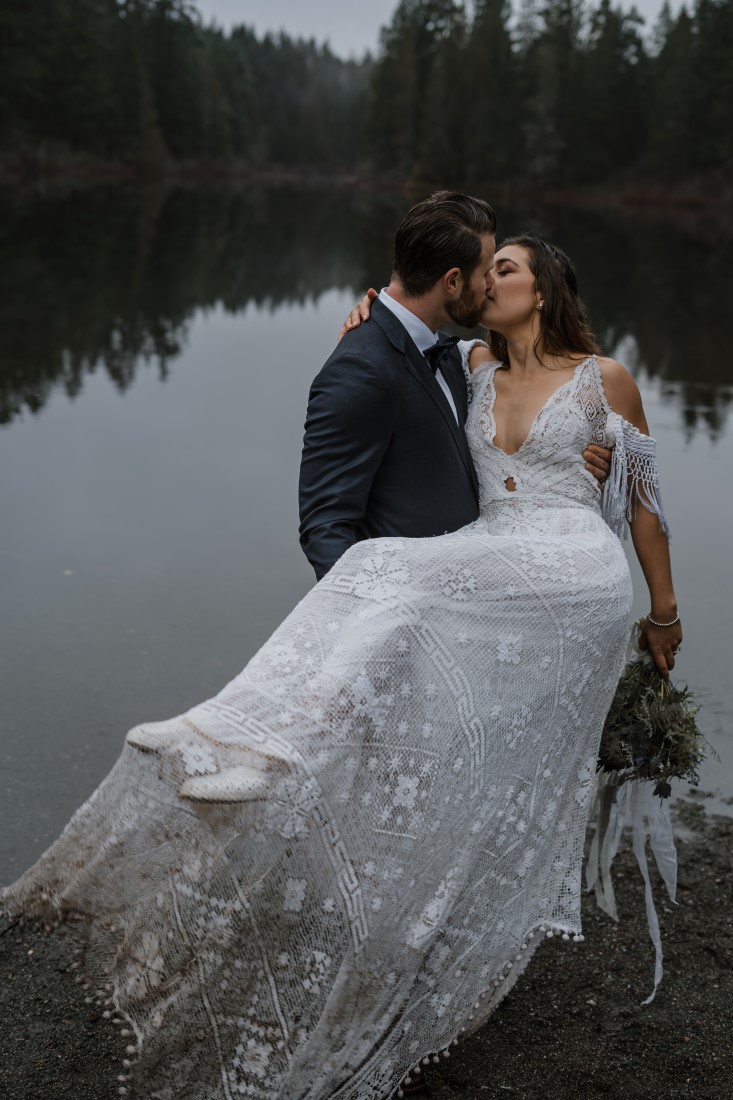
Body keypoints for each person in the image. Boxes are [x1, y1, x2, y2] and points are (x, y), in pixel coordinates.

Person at [1, 221, 679, 1100]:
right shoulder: (468, 365)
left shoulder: (603, 378)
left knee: (387, 567)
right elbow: (410, 325)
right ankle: (261, 745)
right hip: (492, 554)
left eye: (504, 269)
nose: (488, 280)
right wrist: (373, 307)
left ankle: (275, 743)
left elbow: (644, 506)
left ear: (543, 289)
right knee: (398, 612)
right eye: (484, 270)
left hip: (573, 567)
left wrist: (663, 615)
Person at [299, 191, 610, 580]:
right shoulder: (359, 369)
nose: (489, 285)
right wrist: (369, 605)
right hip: (409, 594)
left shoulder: (458, 358)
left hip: (486, 585)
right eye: (485, 274)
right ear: (453, 281)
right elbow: (325, 525)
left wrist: (574, 459)